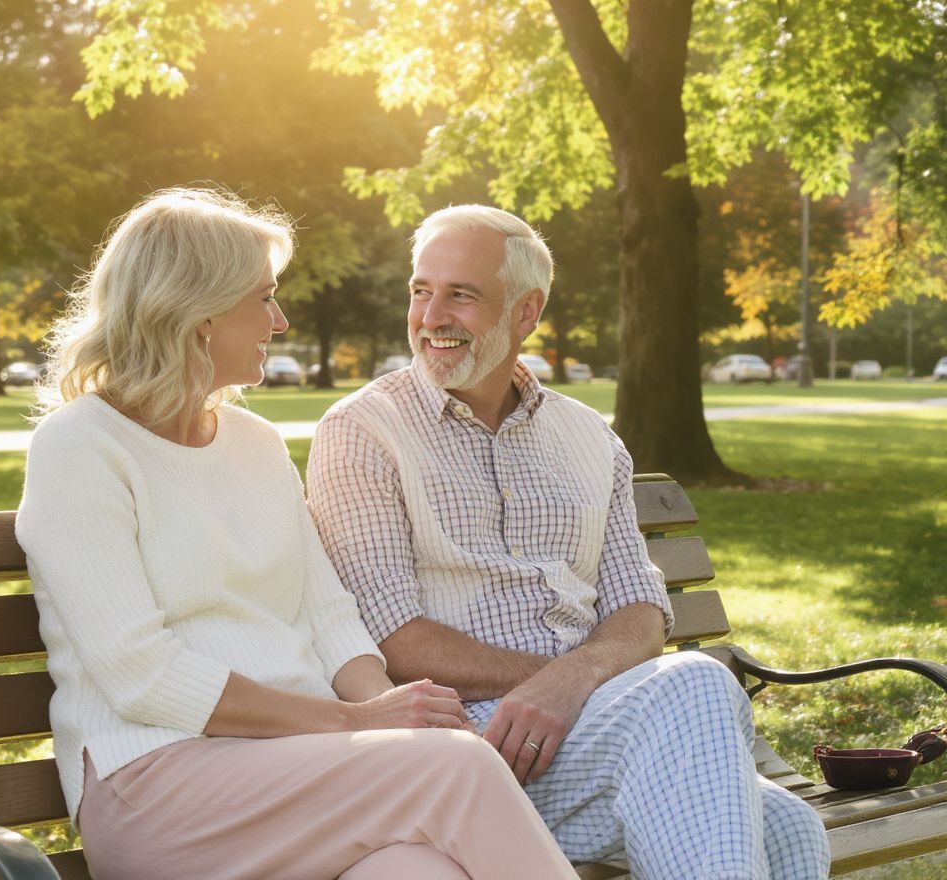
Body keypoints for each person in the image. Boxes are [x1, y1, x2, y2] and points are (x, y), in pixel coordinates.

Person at [15, 188, 576, 880]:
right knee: (455, 764)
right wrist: (357, 724)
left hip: (304, 776)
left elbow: (329, 616)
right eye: (263, 297)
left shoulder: (254, 442)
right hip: (162, 789)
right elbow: (142, 677)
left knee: (416, 871)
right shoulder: (79, 447)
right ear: (198, 311)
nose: (278, 322)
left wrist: (384, 708)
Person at [307, 204, 832, 879]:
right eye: (420, 290)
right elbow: (391, 637)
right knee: (695, 684)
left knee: (791, 826)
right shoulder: (363, 432)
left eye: (461, 294)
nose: (431, 315)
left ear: (526, 312)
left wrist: (575, 680)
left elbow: (640, 607)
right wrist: (554, 685)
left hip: (595, 724)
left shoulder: (588, 438)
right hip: (469, 746)